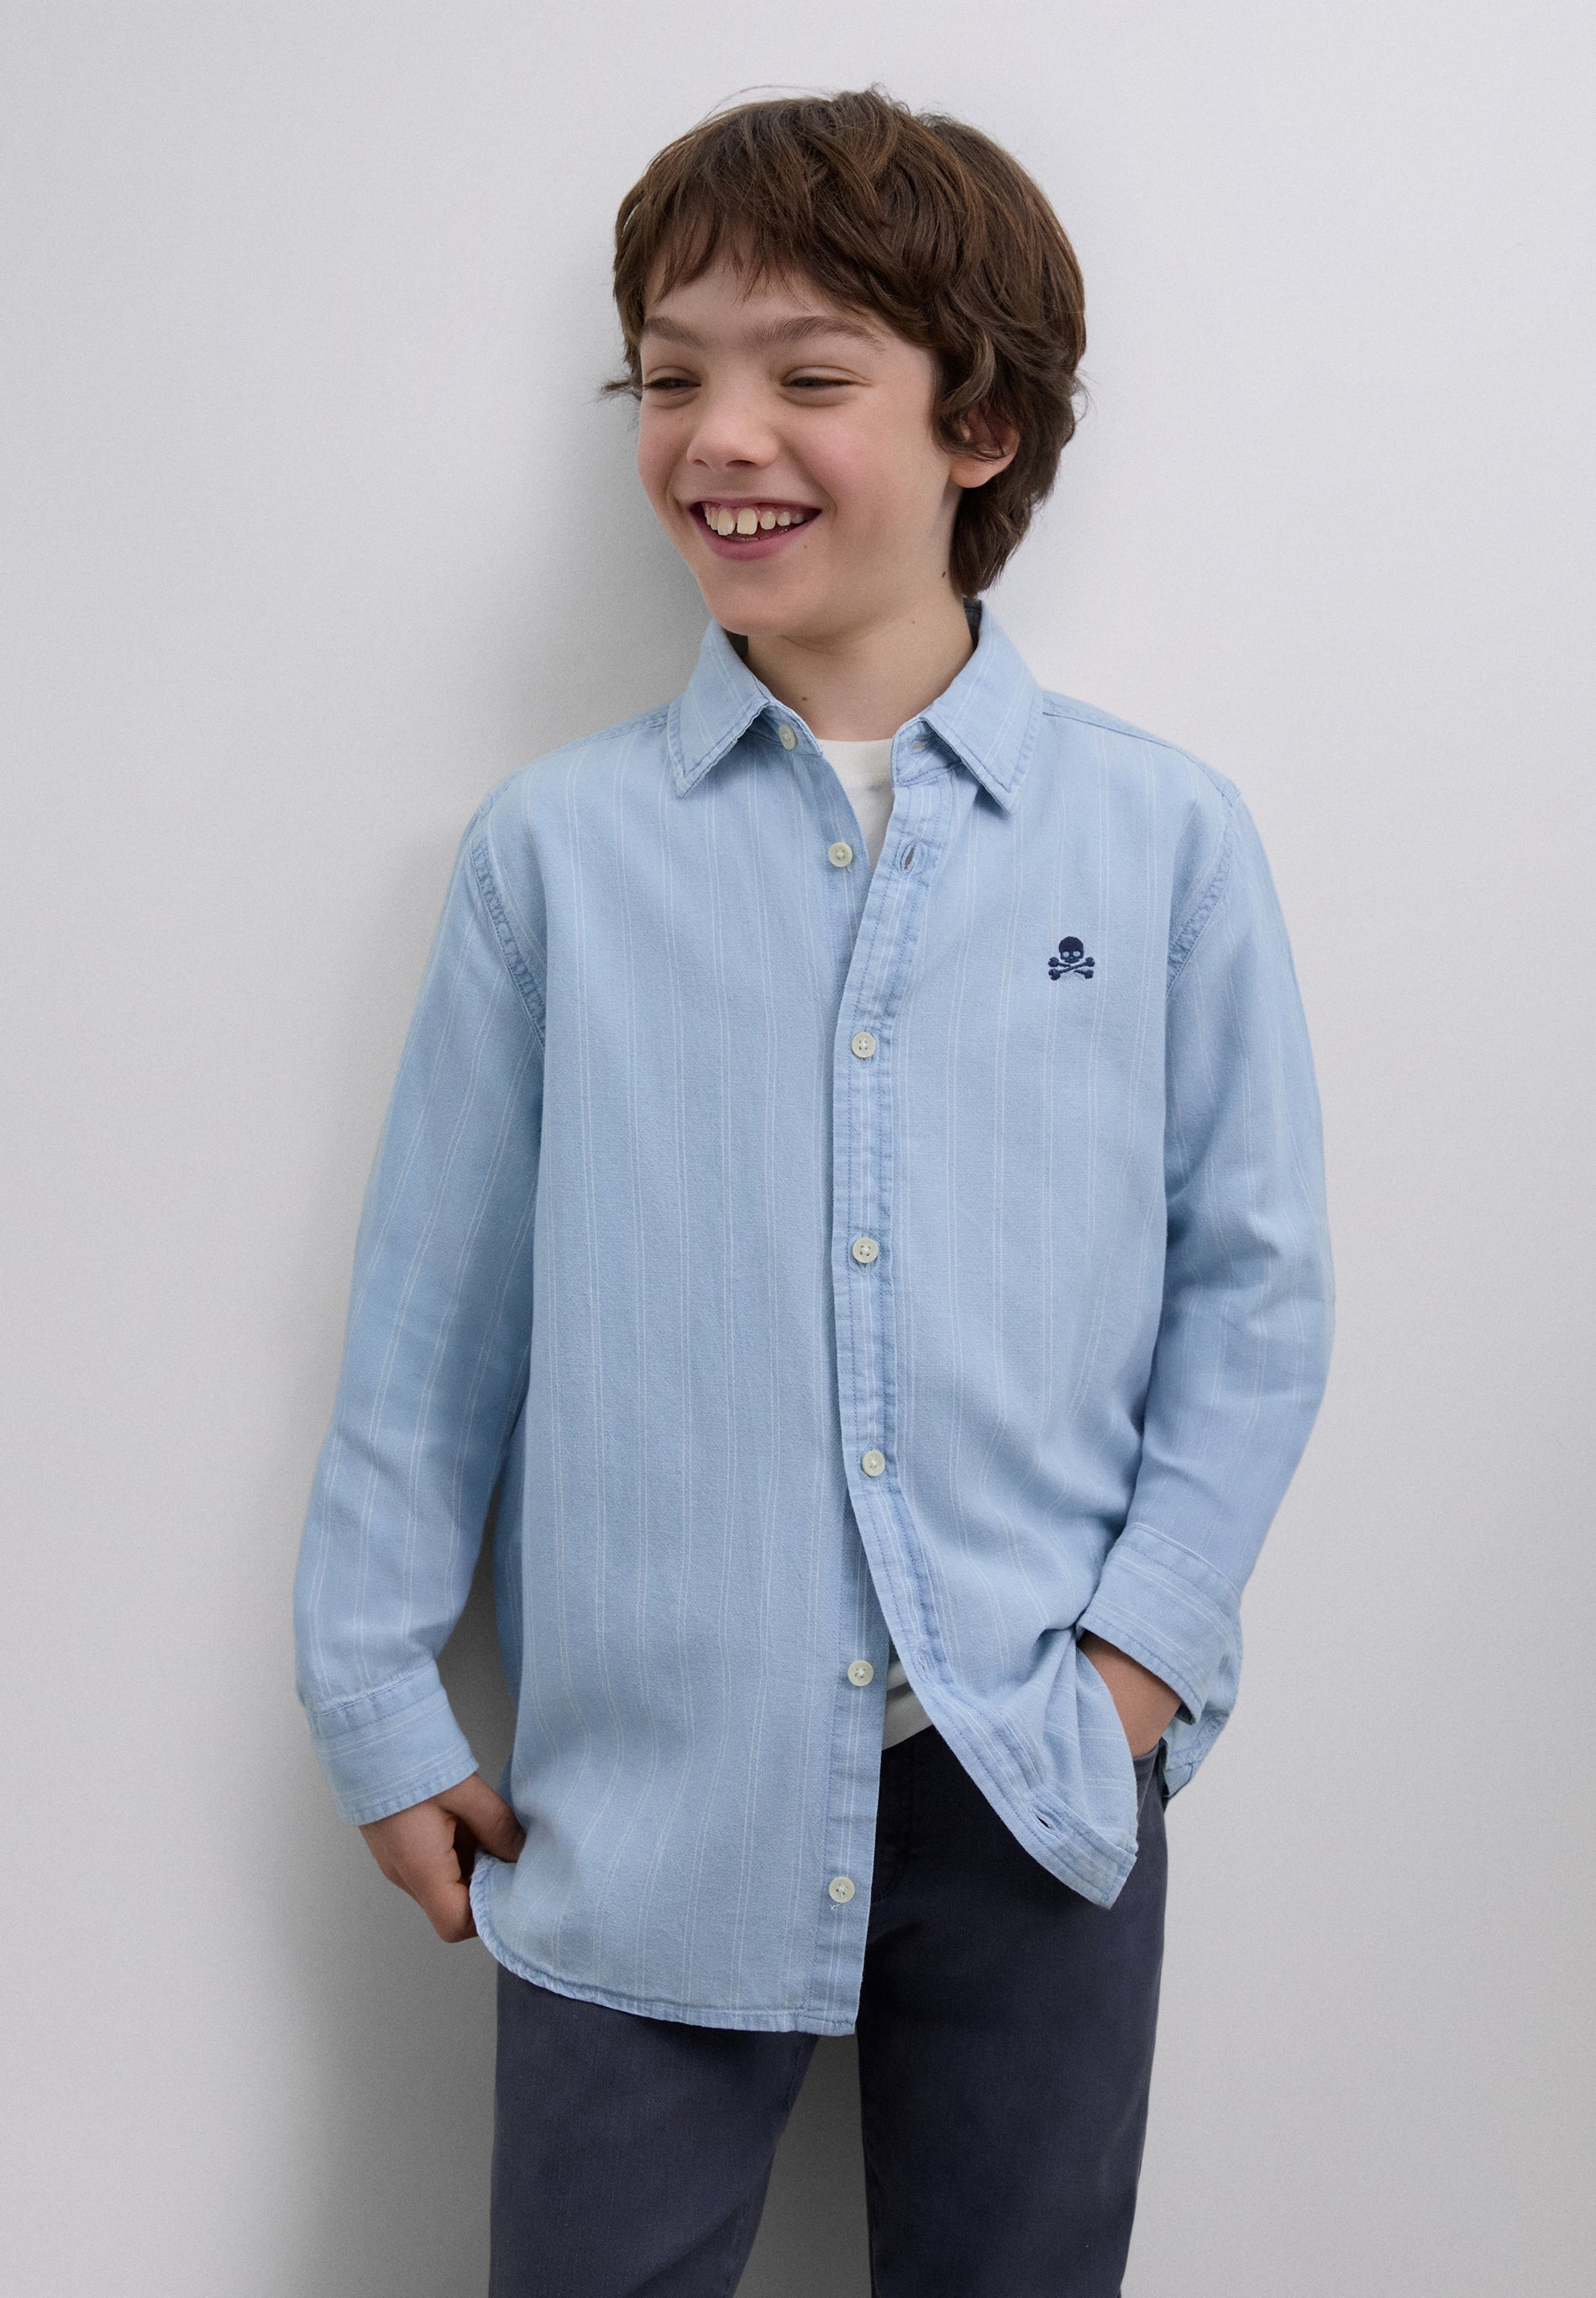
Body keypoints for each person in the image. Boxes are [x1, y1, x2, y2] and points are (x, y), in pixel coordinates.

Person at [293, 86, 1335, 2297]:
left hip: (1031, 1772)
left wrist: (1132, 1673)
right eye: (669, 378)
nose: (719, 436)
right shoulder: (558, 857)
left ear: (979, 425)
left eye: (806, 374)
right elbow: (435, 1320)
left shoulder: (1159, 845)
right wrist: (378, 1702)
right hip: (645, 1790)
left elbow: (1252, 1293)